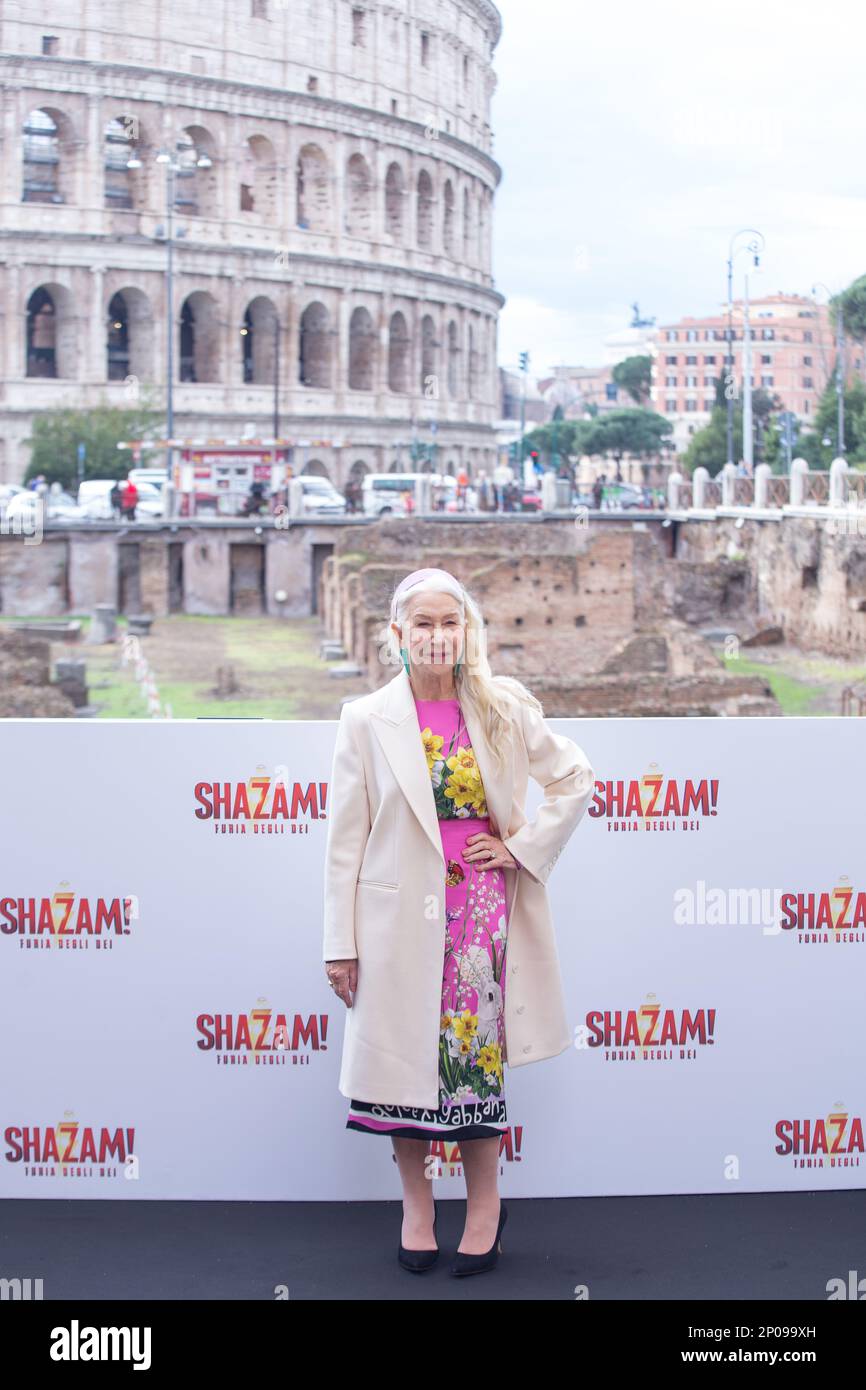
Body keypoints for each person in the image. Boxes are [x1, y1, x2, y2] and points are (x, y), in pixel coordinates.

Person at [323, 566, 595, 1276]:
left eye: (451, 623)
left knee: (471, 1063)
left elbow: (574, 778)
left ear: (466, 631)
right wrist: (339, 945)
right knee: (397, 1071)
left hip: (478, 914)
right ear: (398, 636)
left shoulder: (501, 706)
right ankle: (416, 1205)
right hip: (391, 920)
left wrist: (521, 847)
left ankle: (484, 1207)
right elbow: (344, 843)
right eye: (424, 625)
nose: (438, 636)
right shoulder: (364, 719)